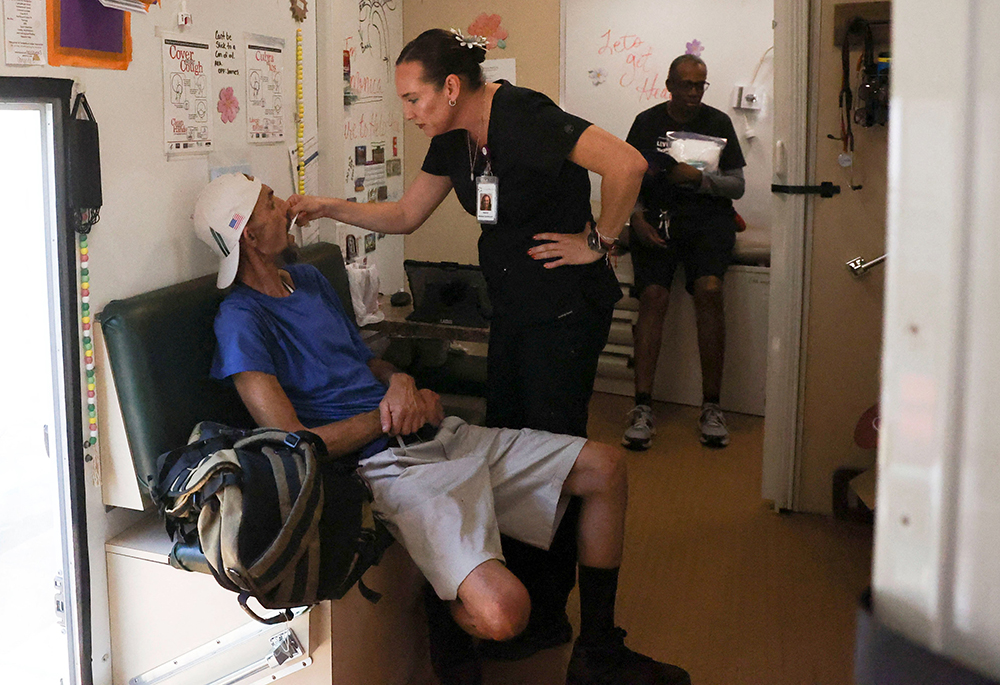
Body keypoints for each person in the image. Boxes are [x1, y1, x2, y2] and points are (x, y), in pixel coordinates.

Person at [193, 173, 691, 685]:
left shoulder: (312, 281)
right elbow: (295, 445)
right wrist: (385, 416)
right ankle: (445, 613)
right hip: (381, 466)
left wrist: (403, 382)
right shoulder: (239, 321)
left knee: (606, 467)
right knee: (504, 614)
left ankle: (598, 651)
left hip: (434, 432)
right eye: (272, 205)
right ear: (249, 236)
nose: (286, 206)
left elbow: (368, 363)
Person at [288, 28, 646, 675]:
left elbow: (628, 164)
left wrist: (601, 241)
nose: (409, 112)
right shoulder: (452, 141)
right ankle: (530, 601)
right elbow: (404, 215)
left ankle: (551, 615)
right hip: (514, 315)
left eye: (414, 97)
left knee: (556, 456)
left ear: (452, 87)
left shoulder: (525, 116)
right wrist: (323, 206)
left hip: (563, 316)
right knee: (518, 443)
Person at [622, 54, 746, 451]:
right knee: (654, 298)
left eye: (700, 85)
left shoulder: (718, 123)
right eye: (687, 84)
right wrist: (636, 219)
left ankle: (712, 406)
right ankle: (642, 407)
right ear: (670, 84)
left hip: (708, 222)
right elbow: (626, 178)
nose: (694, 92)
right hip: (657, 221)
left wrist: (702, 179)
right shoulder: (647, 123)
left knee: (709, 291)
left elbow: (738, 186)